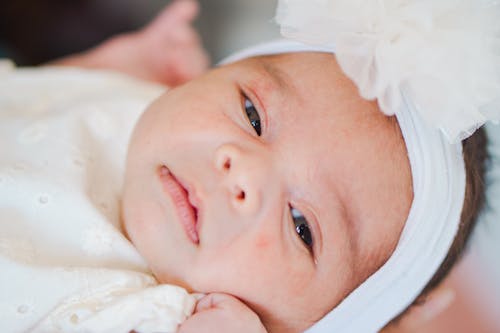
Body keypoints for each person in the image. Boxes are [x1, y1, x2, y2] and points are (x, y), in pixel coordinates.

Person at [0, 0, 497, 332]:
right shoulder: (136, 107)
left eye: (302, 226)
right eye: (252, 115)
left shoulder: (168, 316)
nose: (243, 174)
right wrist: (107, 67)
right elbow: (37, 103)